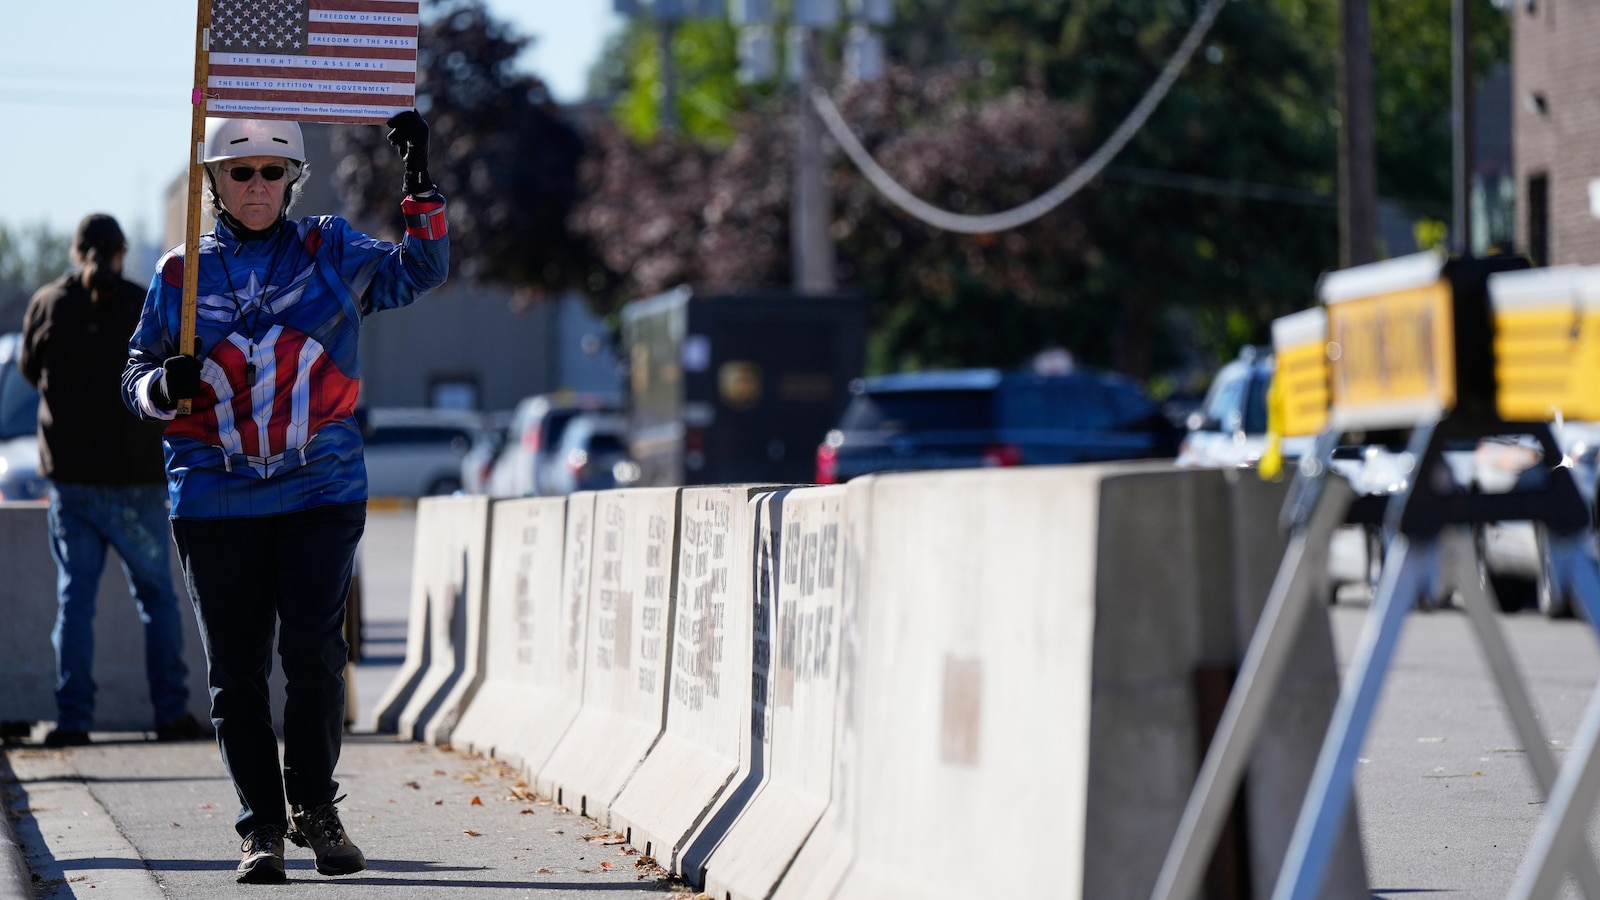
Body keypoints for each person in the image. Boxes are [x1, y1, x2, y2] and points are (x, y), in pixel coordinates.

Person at [120, 111, 448, 884]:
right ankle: (261, 829)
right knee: (236, 674)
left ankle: (317, 809)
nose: (258, 185)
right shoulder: (179, 276)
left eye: (273, 171)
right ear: (214, 183)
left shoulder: (330, 249)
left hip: (320, 487)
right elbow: (133, 375)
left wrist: (420, 186)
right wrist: (162, 385)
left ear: (294, 179)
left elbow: (419, 272)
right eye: (241, 172)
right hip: (213, 494)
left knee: (314, 654)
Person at [18, 213, 204, 749]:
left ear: (78, 253)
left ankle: (73, 720)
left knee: (75, 600)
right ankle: (171, 713)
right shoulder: (140, 301)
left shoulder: (48, 305)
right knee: (158, 600)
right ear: (122, 253)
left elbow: (30, 372)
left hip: (71, 486)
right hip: (137, 481)